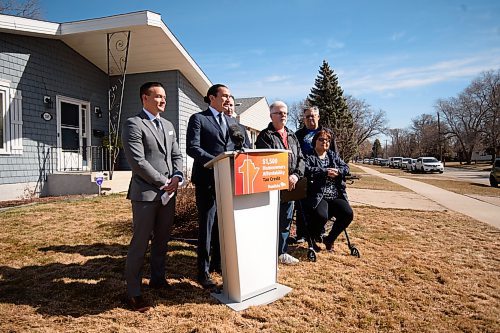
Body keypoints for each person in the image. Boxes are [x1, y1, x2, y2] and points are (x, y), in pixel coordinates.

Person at [121, 81, 184, 312]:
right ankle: (133, 292)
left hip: (168, 194)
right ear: (144, 98)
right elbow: (138, 162)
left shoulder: (168, 124)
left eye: (164, 96)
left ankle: (158, 279)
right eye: (157, 96)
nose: (163, 100)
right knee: (140, 243)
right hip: (146, 194)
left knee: (162, 240)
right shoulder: (133, 124)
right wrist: (164, 182)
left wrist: (177, 176)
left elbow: (176, 154)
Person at [186, 84, 249, 288]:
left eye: (230, 96)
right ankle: (202, 272)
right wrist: (217, 161)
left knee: (224, 224)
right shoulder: (199, 119)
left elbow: (241, 147)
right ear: (212, 97)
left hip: (228, 180)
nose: (228, 99)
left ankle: (218, 264)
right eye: (224, 96)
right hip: (207, 180)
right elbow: (192, 147)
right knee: (207, 224)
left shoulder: (232, 122)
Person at [255, 101, 305, 265]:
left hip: (290, 186)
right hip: (271, 186)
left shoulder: (292, 135)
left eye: (285, 113)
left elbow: (300, 159)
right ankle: (265, 252)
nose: (283, 115)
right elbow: (266, 161)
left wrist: (296, 176)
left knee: (285, 220)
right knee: (269, 221)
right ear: (271, 116)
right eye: (279, 113)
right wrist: (283, 177)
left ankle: (281, 253)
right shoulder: (264, 136)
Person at [304, 129, 353, 252]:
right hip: (319, 195)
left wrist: (338, 172)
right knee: (321, 216)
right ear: (315, 141)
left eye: (327, 140)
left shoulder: (332, 155)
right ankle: (313, 238)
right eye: (321, 139)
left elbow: (346, 168)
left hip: (335, 195)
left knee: (348, 214)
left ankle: (330, 239)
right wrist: (325, 171)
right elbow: (306, 169)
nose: (324, 142)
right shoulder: (309, 156)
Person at [294, 106, 337, 242]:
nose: (310, 118)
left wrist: (334, 170)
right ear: (304, 119)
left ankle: (319, 232)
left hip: (323, 174)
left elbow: (334, 153)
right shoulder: (299, 134)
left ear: (318, 117)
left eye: (313, 116)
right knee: (302, 204)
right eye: (307, 116)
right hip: (304, 173)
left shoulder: (326, 132)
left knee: (321, 204)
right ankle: (301, 234)